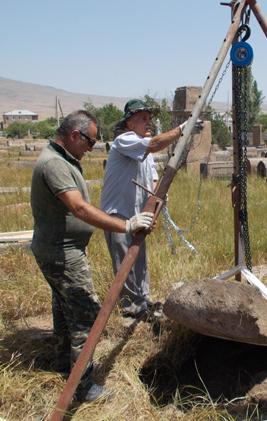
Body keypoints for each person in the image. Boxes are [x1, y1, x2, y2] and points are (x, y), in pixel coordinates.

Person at [30, 110, 154, 402]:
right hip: (61, 253)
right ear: (74, 135)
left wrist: (79, 238)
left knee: (64, 310)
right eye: (90, 142)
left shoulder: (62, 159)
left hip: (61, 248)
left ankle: (65, 365)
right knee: (85, 313)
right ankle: (83, 386)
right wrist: (126, 224)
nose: (91, 148)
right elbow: (80, 209)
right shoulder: (55, 164)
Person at [100, 99, 201, 320]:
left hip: (139, 214)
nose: (148, 122)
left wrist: (156, 205)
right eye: (143, 119)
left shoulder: (146, 154)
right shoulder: (125, 141)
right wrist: (183, 130)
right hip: (118, 212)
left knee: (139, 258)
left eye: (149, 119)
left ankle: (143, 302)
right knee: (124, 261)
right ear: (130, 124)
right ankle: (129, 308)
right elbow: (154, 144)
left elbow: (154, 184)